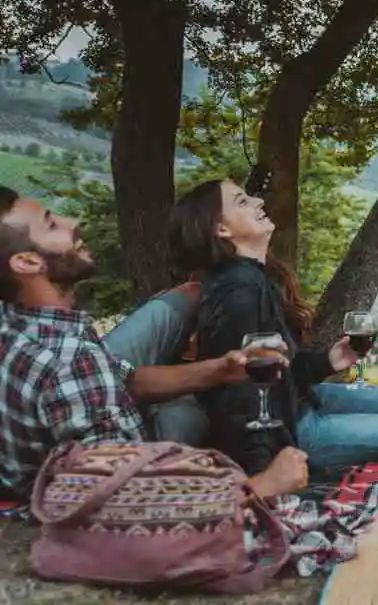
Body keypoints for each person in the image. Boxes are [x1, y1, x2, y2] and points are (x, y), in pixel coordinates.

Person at [0, 186, 307, 501]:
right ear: (26, 262)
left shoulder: (22, 324)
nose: (72, 221)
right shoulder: (69, 360)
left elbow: (124, 377)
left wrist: (220, 370)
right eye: (51, 224)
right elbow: (118, 499)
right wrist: (261, 486)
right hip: (125, 502)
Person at [170, 179, 378, 476]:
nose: (258, 201)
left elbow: (278, 369)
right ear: (222, 229)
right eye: (242, 201)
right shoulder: (239, 291)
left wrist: (330, 360)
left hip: (299, 399)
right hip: (291, 431)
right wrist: (266, 471)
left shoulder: (255, 277)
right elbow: (240, 394)